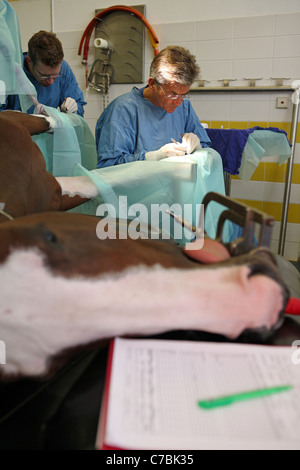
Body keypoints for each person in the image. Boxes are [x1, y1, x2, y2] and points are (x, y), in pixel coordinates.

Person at [96, 46, 211, 168]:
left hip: (174, 184)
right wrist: (154, 157)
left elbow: (206, 148)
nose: (178, 102)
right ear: (152, 84)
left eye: (183, 95)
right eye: (172, 94)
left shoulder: (184, 106)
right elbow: (108, 166)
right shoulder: (123, 109)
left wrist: (198, 146)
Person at [0, 30, 86, 116]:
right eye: (44, 76)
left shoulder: (64, 69)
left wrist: (74, 110)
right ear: (30, 61)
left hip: (50, 128)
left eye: (55, 75)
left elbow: (79, 108)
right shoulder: (8, 74)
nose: (51, 81)